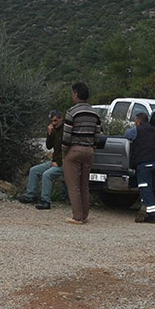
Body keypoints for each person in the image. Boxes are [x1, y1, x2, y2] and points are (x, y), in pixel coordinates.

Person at [62, 82, 102, 225]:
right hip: (89, 150)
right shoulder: (95, 113)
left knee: (73, 185)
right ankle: (85, 214)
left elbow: (66, 136)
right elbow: (97, 136)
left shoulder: (72, 112)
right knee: (85, 185)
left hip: (75, 149)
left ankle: (77, 217)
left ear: (76, 95)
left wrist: (64, 153)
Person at [22, 110, 64, 210]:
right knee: (34, 170)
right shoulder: (55, 130)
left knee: (47, 175)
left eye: (55, 121)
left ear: (61, 119)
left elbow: (66, 150)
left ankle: (46, 200)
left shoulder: (65, 131)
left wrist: (58, 162)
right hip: (55, 160)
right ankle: (31, 195)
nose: (54, 123)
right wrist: (49, 134)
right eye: (52, 121)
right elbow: (49, 146)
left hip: (63, 162)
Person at [128, 111, 155, 224]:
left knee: (145, 188)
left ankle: (153, 215)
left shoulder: (137, 130)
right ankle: (144, 211)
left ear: (138, 121)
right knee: (149, 189)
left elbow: (127, 134)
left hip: (144, 163)